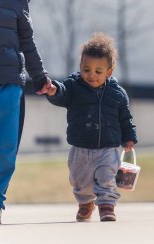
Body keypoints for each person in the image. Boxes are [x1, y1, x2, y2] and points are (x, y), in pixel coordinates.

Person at [46, 32, 138, 222]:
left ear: (109, 72)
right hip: (80, 147)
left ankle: (106, 205)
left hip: (107, 147)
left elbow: (125, 118)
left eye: (98, 71)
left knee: (107, 176)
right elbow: (62, 94)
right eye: (86, 69)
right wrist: (54, 90)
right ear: (80, 67)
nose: (91, 75)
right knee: (80, 181)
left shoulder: (117, 94)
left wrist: (129, 137)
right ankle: (86, 202)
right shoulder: (73, 87)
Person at [0, 0, 53, 224]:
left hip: (9, 85)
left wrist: (39, 75)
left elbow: (26, 41)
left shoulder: (17, 2)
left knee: (4, 147)